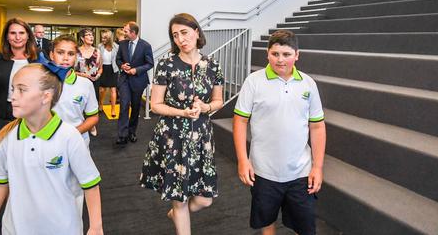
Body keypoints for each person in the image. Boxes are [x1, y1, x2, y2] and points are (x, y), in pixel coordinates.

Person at [0, 64, 103, 235]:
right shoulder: (5, 138)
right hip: (15, 229)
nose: (13, 96)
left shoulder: (69, 137)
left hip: (63, 228)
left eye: (22, 90)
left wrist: (96, 227)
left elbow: (90, 184)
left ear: (46, 96)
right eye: (13, 89)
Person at [233, 30, 326, 235]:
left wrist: (317, 167)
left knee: (306, 227)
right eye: (275, 54)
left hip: (300, 172)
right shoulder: (254, 81)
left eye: (286, 54)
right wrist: (242, 160)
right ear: (267, 54)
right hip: (263, 171)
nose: (280, 60)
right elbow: (240, 121)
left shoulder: (308, 84)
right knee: (267, 222)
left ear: (297, 55)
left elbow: (317, 126)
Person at [140, 13, 224, 235]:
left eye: (184, 32)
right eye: (175, 35)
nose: (180, 39)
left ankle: (176, 215)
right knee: (180, 199)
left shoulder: (212, 65)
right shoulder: (167, 64)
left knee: (205, 199)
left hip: (202, 139)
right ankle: (179, 214)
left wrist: (205, 107)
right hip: (173, 137)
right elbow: (155, 105)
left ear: (197, 31)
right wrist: (182, 112)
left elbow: (218, 101)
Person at [0, 18, 38, 139]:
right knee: (4, 155)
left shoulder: (38, 59)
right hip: (3, 117)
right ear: (7, 36)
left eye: (22, 33)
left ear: (28, 35)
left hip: (32, 116)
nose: (17, 37)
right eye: (13, 33)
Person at [50, 34, 100, 146]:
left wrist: (73, 134)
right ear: (52, 55)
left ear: (76, 57)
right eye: (60, 52)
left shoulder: (85, 84)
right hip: (48, 141)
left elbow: (93, 117)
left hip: (78, 140)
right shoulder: (41, 82)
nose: (65, 58)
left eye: (71, 54)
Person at [115, 21, 154, 146]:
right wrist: (122, 65)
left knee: (135, 108)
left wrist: (136, 70)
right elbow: (118, 59)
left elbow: (150, 63)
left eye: (126, 31)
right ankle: (122, 135)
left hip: (138, 80)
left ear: (133, 32)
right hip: (125, 80)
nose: (124, 32)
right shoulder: (122, 44)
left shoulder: (145, 46)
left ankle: (132, 132)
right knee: (124, 106)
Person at [77, 28, 102, 136]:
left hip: (93, 81)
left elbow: (100, 68)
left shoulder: (97, 51)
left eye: (92, 35)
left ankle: (91, 125)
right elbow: (71, 70)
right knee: (79, 102)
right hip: (79, 80)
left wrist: (98, 75)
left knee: (92, 104)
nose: (91, 37)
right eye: (88, 35)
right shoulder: (76, 51)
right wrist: (82, 75)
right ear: (82, 38)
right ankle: (80, 124)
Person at [98, 30, 119, 118]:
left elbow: (119, 58)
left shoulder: (116, 47)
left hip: (113, 69)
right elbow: (98, 58)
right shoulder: (100, 46)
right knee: (102, 90)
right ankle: (100, 104)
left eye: (104, 38)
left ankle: (113, 109)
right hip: (103, 69)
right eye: (102, 37)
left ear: (109, 38)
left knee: (113, 90)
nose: (102, 39)